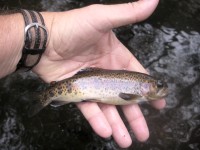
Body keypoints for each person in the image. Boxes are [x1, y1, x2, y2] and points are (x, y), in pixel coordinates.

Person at [0, 0, 165, 148]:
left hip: (83, 83)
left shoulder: (137, 91)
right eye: (158, 85)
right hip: (82, 83)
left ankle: (45, 96)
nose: (160, 88)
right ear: (145, 84)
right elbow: (125, 97)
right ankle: (44, 97)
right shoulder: (136, 94)